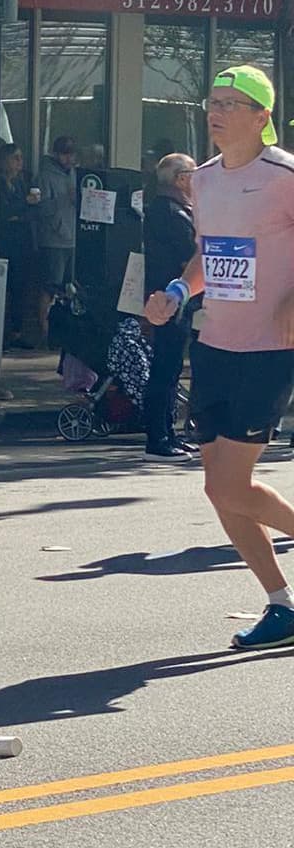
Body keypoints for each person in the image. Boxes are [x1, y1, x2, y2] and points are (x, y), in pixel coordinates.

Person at [145, 66, 294, 650]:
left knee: (233, 484)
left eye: (234, 103)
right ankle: (281, 604)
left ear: (262, 117)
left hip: (270, 350)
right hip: (215, 346)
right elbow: (209, 258)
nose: (219, 111)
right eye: (214, 101)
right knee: (219, 490)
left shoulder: (284, 175)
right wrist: (176, 295)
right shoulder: (202, 181)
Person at [141, 152, 198, 463]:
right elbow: (190, 257)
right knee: (165, 368)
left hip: (173, 301)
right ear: (181, 179)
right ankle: (158, 436)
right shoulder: (171, 214)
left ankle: (169, 431)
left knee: (172, 368)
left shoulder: (171, 211)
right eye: (193, 173)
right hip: (167, 300)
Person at [0, 143, 39, 350]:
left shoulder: (22, 182)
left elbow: (28, 212)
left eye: (21, 158)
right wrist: (23, 204)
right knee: (1, 286)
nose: (20, 163)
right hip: (4, 240)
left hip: (22, 239)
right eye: (15, 158)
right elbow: (3, 211)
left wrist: (22, 208)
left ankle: (16, 332)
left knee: (20, 287)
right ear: (5, 160)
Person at [37, 135, 78, 345]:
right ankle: (44, 330)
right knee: (50, 286)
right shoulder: (45, 175)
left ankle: (64, 329)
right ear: (55, 154)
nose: (68, 158)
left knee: (68, 287)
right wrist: (62, 201)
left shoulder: (74, 174)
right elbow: (40, 208)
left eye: (71, 153)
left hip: (72, 237)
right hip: (53, 239)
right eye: (64, 153)